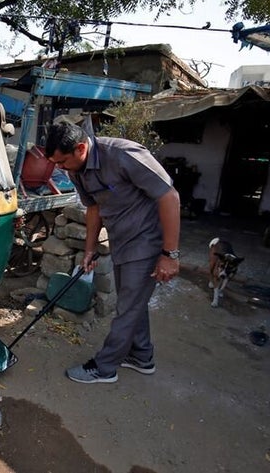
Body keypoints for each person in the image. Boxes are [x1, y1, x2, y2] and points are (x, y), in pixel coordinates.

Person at [44, 122, 181, 384]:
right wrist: (89, 249)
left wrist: (170, 254)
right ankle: (142, 356)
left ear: (81, 148)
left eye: (62, 162)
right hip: (122, 240)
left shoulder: (123, 155)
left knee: (128, 307)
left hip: (147, 239)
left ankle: (105, 367)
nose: (59, 168)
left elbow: (169, 197)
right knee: (133, 300)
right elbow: (94, 208)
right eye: (55, 163)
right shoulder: (77, 168)